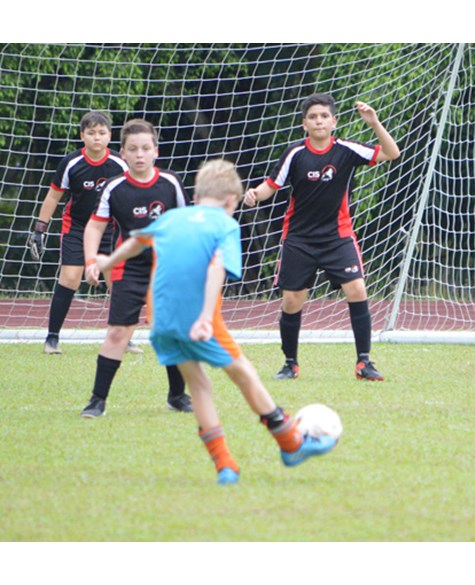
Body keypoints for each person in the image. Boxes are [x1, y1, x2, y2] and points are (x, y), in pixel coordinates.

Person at [94, 159, 337, 484]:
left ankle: (225, 466)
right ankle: (292, 443)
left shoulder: (170, 218)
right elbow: (216, 268)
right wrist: (206, 319)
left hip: (161, 320)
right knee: (246, 375)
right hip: (199, 318)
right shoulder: (225, 225)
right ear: (229, 202)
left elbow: (136, 241)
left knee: (199, 386)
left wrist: (105, 262)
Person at [243, 93, 401, 381]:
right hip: (299, 239)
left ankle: (364, 362)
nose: (319, 121)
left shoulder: (347, 150)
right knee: (292, 300)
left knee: (357, 290)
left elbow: (392, 153)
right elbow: (271, 185)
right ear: (305, 124)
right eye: (313, 117)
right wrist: (255, 194)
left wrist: (374, 122)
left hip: (337, 237)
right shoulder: (295, 154)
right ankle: (290, 364)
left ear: (333, 121)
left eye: (324, 116)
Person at [80, 118, 192, 418]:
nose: (140, 155)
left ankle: (177, 396)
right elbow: (94, 227)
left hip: (167, 270)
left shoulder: (170, 184)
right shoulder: (114, 188)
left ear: (156, 151)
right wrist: (91, 261)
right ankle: (97, 400)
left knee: (172, 332)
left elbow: (187, 225)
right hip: (127, 269)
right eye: (133, 149)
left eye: (145, 148)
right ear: (123, 153)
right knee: (118, 333)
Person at [26, 110, 142, 355]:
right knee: (69, 278)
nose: (96, 138)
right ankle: (52, 338)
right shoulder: (71, 163)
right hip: (77, 227)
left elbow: (133, 192)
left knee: (117, 281)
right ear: (82, 136)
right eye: (91, 133)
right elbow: (53, 195)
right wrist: (39, 228)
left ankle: (124, 337)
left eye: (102, 133)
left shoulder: (120, 163)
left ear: (110, 136)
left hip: (110, 228)